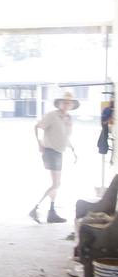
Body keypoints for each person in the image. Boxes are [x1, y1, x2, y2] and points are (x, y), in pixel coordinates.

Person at [29, 91, 79, 224]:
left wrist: (73, 149)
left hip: (59, 152)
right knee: (56, 183)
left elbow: (65, 136)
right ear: (60, 103)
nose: (67, 104)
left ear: (72, 105)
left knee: (56, 184)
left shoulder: (68, 118)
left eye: (69, 102)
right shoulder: (52, 116)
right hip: (50, 151)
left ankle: (51, 213)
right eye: (65, 102)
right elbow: (37, 126)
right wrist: (39, 143)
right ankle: (35, 208)